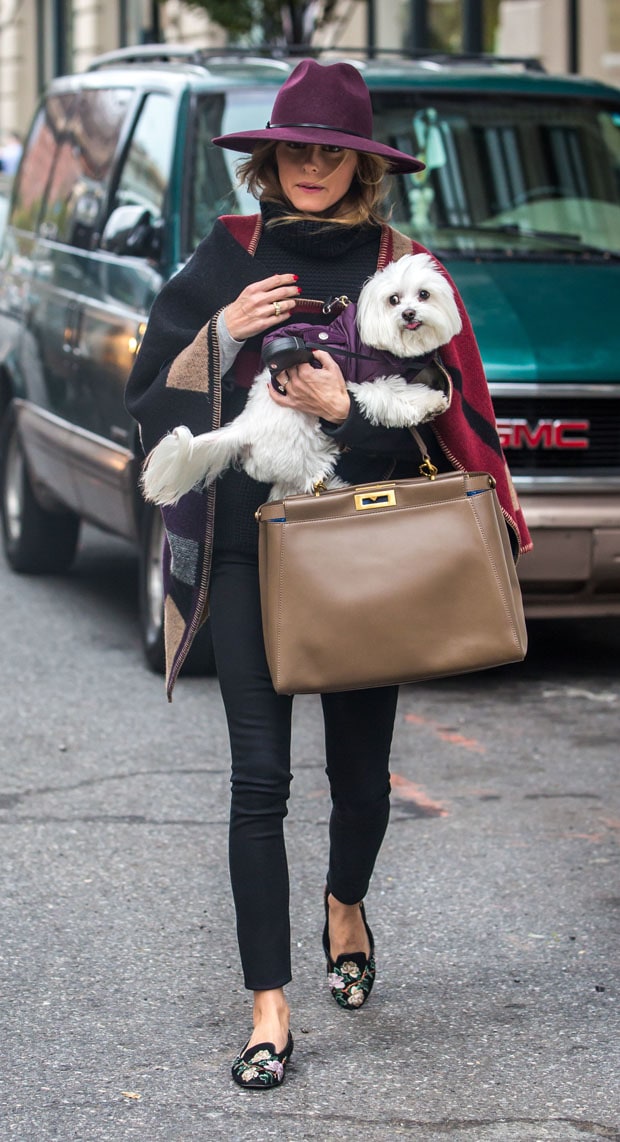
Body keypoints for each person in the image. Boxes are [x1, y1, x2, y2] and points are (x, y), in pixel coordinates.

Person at [125, 58, 531, 1090]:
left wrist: (346, 409)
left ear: (361, 165)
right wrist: (225, 332)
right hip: (250, 546)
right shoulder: (230, 258)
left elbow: (449, 429)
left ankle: (344, 899)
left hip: (365, 546)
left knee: (358, 780)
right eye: (293, 146)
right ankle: (269, 1008)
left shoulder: (405, 266)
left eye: (332, 150)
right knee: (256, 783)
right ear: (268, 157)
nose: (309, 163)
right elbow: (149, 402)